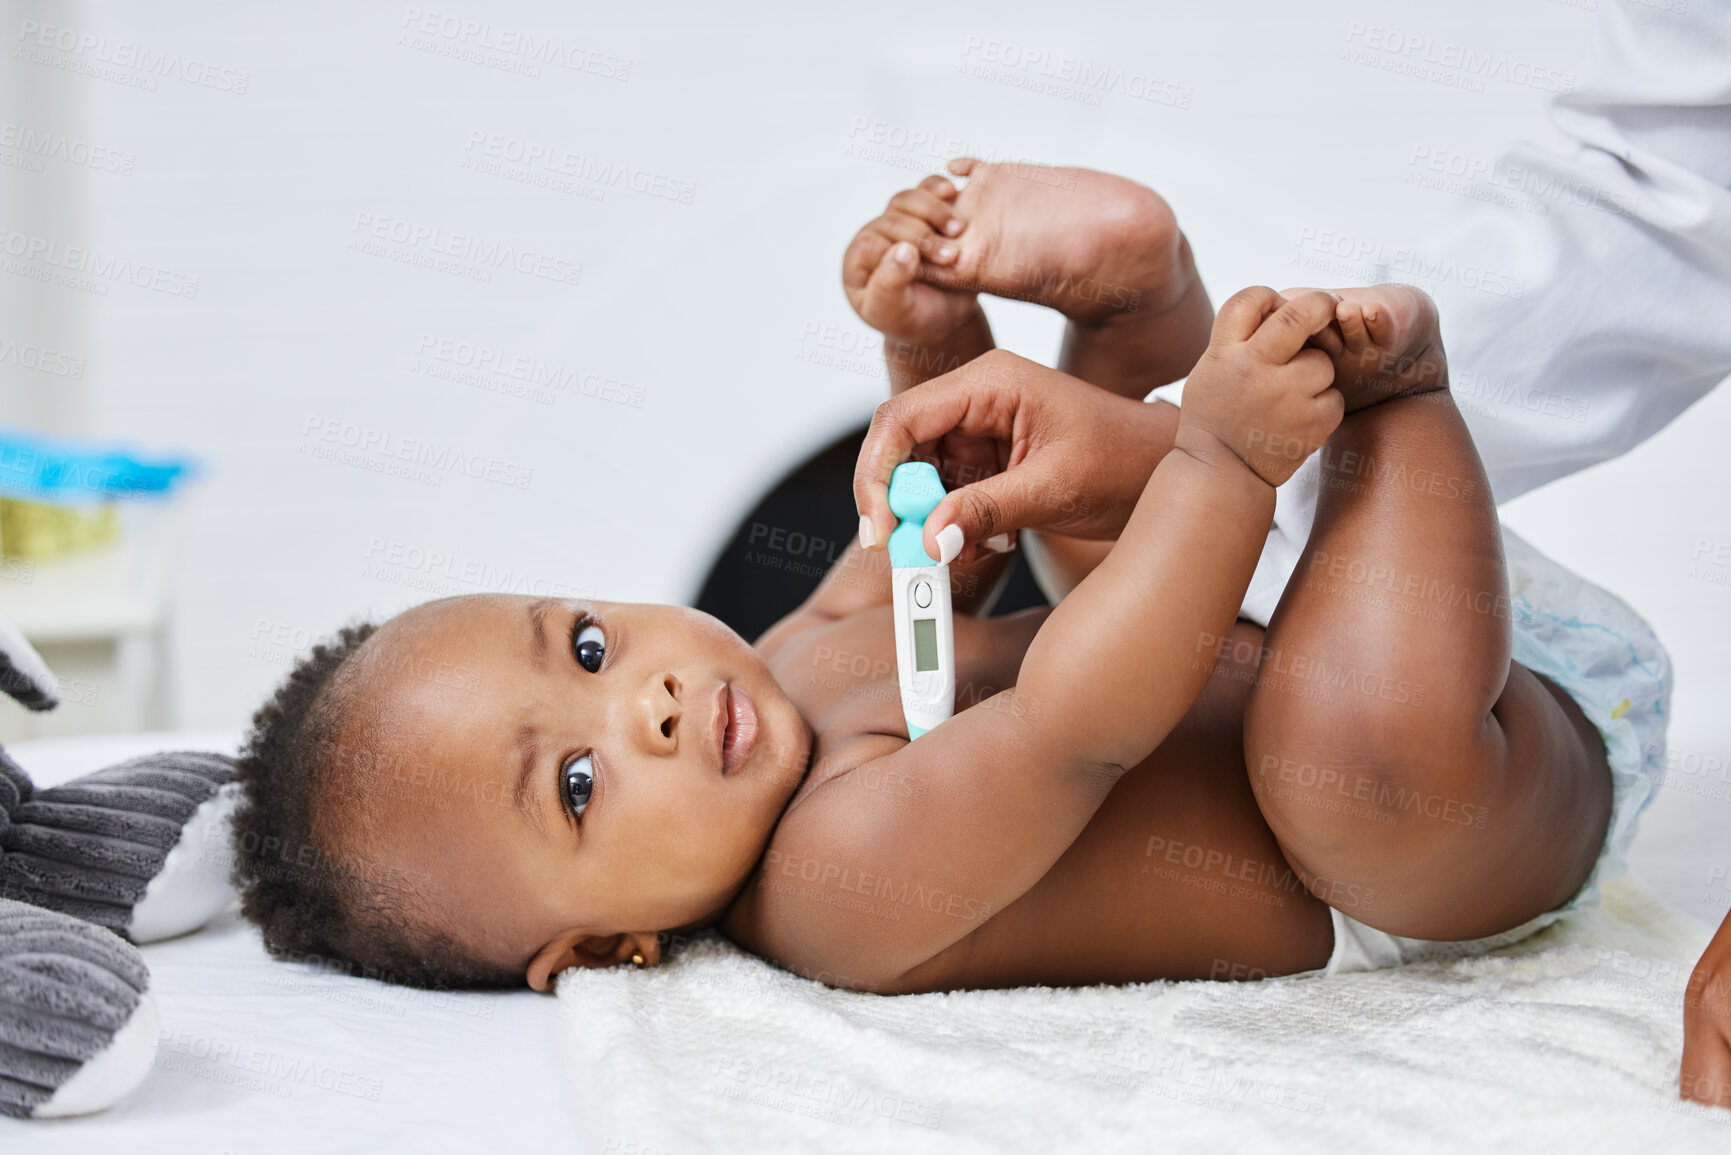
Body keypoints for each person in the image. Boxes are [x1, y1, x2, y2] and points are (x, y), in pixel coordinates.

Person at [227, 166, 1663, 1031]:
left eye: (589, 647)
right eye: (583, 784)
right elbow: (1073, 723)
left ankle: (1127, 303)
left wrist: (931, 350)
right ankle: (1397, 397)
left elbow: (934, 541)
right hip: (1447, 828)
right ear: (610, 950)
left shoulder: (786, 662)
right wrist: (1222, 458)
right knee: (1340, 775)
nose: (647, 700)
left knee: (1036, 514)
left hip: (1345, 600)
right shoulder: (831, 896)